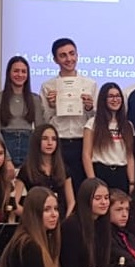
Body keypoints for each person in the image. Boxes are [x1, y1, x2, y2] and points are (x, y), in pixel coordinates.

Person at [40, 38, 97, 183]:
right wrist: (52, 106)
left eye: (72, 54)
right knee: (58, 183)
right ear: (55, 59)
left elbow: (95, 119)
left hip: (82, 142)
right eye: (63, 55)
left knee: (81, 186)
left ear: (77, 55)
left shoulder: (90, 84)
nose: (69, 59)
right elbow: (44, 120)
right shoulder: (48, 86)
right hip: (58, 142)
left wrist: (89, 107)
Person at [0, 56, 43, 168]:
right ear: (9, 73)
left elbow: (40, 130)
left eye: (23, 71)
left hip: (28, 146)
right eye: (16, 71)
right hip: (5, 143)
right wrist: (6, 157)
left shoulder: (35, 99)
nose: (20, 74)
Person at [83, 82, 135, 191]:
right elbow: (86, 155)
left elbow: (130, 156)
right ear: (103, 99)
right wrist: (93, 181)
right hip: (101, 173)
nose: (115, 99)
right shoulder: (92, 123)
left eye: (118, 96)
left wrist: (132, 182)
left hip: (121, 174)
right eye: (111, 96)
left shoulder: (128, 125)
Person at [18, 124, 76, 216]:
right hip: (37, 220)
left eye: (54, 139)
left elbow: (71, 202)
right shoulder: (26, 169)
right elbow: (14, 205)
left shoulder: (64, 168)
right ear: (37, 141)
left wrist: (67, 220)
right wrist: (33, 216)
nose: (50, 143)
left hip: (60, 219)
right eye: (45, 139)